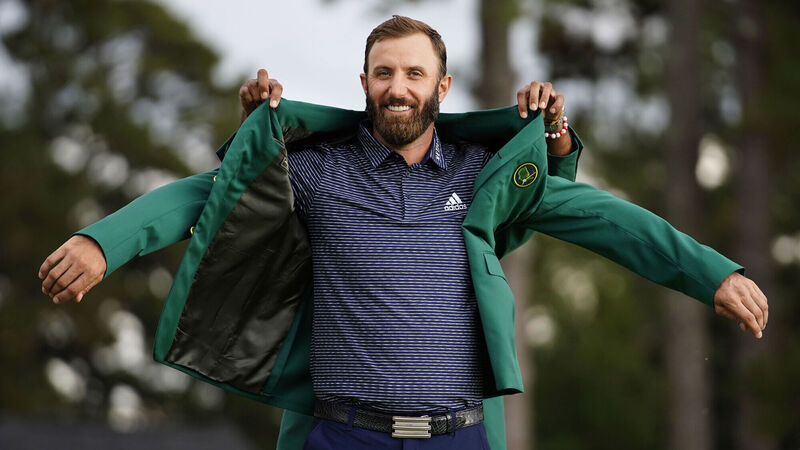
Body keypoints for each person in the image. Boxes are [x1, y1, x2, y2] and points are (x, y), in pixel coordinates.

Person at [39, 15, 767, 450]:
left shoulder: (483, 176)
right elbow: (200, 197)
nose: (398, 87)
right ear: (363, 83)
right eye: (383, 72)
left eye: (415, 74)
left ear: (441, 88)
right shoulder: (314, 172)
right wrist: (103, 243)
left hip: (459, 437)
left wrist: (714, 274)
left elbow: (608, 220)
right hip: (339, 435)